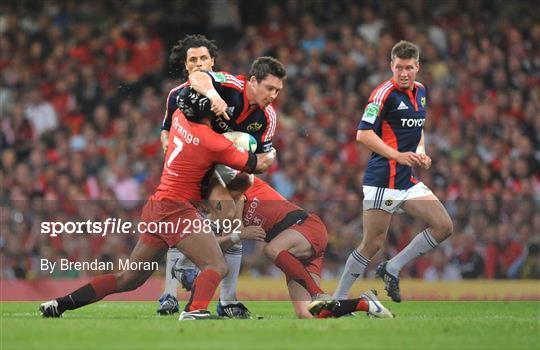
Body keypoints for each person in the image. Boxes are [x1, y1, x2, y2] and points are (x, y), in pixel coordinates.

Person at [39, 105, 276, 320]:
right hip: (175, 210)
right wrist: (259, 160)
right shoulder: (211, 146)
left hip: (158, 206)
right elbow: (251, 169)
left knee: (129, 279)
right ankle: (194, 312)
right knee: (216, 266)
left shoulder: (180, 123)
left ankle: (61, 304)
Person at [158, 51, 287, 317]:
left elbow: (263, 156)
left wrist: (269, 156)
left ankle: (221, 296)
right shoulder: (228, 86)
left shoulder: (268, 117)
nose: (273, 95)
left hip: (224, 164)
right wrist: (214, 97)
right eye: (269, 88)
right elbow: (197, 77)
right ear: (252, 81)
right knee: (225, 217)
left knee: (234, 213)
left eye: (277, 90)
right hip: (195, 162)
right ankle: (176, 291)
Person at [170, 176, 394, 319]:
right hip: (294, 249)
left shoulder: (236, 186)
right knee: (308, 314)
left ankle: (318, 293)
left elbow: (240, 190)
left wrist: (238, 228)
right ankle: (365, 303)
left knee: (272, 250)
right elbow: (214, 246)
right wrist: (238, 235)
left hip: (306, 227)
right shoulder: (221, 214)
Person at [333, 40, 453, 302]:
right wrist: (397, 155)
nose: (403, 73)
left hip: (406, 181)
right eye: (399, 67)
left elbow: (417, 128)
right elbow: (363, 134)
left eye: (409, 67)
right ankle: (338, 298)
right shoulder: (382, 94)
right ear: (391, 66)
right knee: (372, 244)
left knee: (444, 225)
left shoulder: (421, 91)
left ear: (418, 67)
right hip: (382, 180)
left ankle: (393, 267)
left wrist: (421, 151)